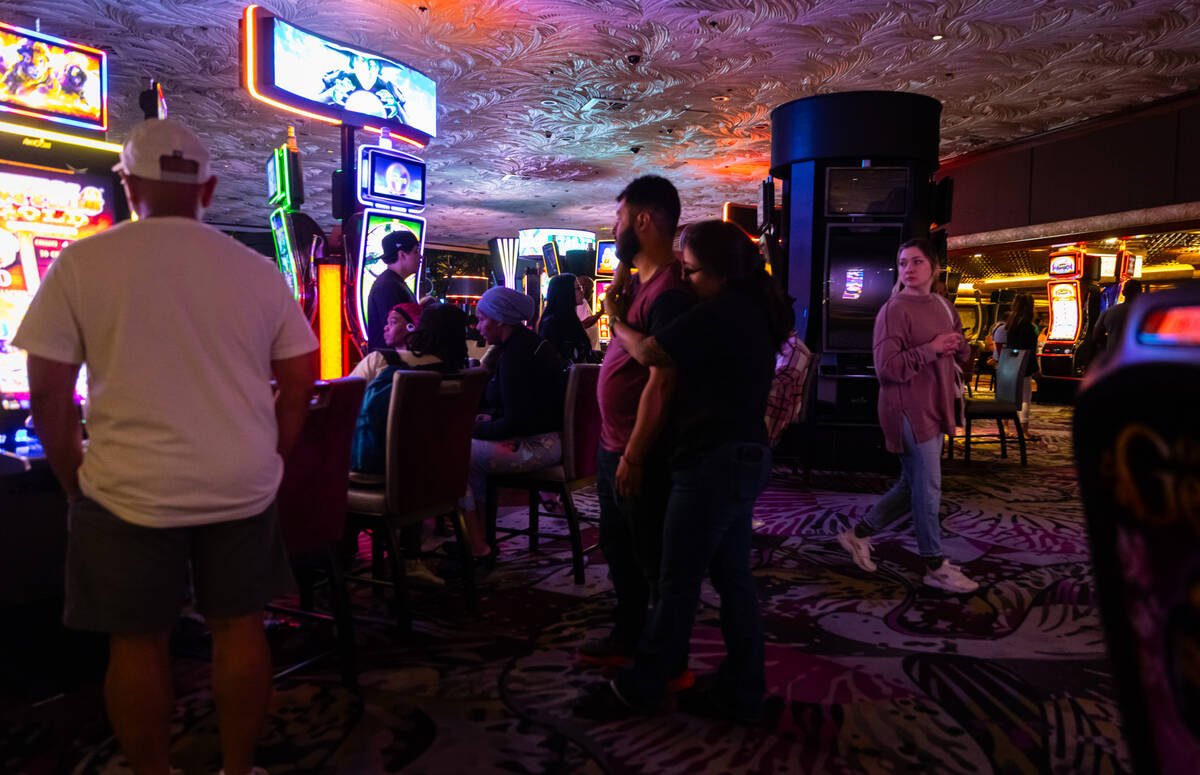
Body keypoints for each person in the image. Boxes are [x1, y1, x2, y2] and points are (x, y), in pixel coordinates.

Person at [13, 118, 318, 775]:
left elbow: (48, 397)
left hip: (128, 485)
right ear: (207, 188)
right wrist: (273, 457)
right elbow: (301, 381)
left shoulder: (82, 262)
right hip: (239, 478)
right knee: (239, 626)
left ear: (127, 185)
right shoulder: (257, 270)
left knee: (137, 641)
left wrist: (76, 483)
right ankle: (238, 768)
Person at [574, 219, 790, 724]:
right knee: (733, 580)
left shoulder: (722, 311)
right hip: (745, 456)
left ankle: (639, 689)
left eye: (691, 271)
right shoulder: (756, 307)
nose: (686, 281)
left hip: (713, 461)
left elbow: (651, 353)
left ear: (718, 271)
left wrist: (614, 317)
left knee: (677, 583)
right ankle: (744, 691)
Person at [577, 176, 695, 671]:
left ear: (644, 220)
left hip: (638, 449)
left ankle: (661, 658)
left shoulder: (669, 292)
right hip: (615, 443)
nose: (614, 225)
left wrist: (635, 454)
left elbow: (664, 374)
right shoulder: (643, 283)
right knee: (619, 545)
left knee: (648, 554)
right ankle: (629, 635)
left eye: (620, 216)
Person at [837, 237, 978, 595]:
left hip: (937, 403)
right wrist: (930, 349)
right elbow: (886, 369)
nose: (908, 269)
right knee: (928, 488)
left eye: (916, 262)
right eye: (902, 263)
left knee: (910, 485)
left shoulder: (945, 307)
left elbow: (962, 355)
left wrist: (960, 348)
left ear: (934, 267)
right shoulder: (894, 309)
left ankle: (857, 535)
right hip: (907, 408)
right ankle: (933, 565)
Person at [349, 303, 468, 588]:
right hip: (437, 477)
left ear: (420, 329)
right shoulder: (461, 373)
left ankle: (335, 556)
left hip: (379, 473)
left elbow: (345, 407)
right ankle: (409, 557)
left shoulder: (383, 361)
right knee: (412, 450)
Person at [462, 287, 565, 563]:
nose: (478, 326)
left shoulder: (516, 355)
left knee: (458, 456)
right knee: (470, 451)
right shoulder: (527, 344)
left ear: (499, 320)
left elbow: (516, 422)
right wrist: (489, 421)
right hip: (552, 440)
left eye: (482, 319)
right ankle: (482, 536)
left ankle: (478, 545)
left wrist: (470, 430)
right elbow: (521, 411)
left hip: (538, 445)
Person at [366, 230, 420, 352]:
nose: (420, 256)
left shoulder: (393, 282)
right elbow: (396, 334)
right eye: (416, 251)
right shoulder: (388, 286)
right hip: (391, 364)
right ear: (402, 255)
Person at [350, 302, 423, 384]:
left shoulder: (378, 359)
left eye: (392, 322)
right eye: (387, 323)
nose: (385, 327)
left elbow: (347, 391)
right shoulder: (436, 360)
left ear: (411, 327)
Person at [1001, 293, 1039, 435]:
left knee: (1009, 396)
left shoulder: (1011, 323)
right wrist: (1035, 368)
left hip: (1009, 362)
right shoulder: (1028, 326)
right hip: (1024, 364)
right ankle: (1024, 431)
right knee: (1025, 398)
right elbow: (1029, 349)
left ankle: (1005, 427)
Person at [538, 273, 592, 364]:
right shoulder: (552, 323)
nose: (582, 291)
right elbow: (556, 359)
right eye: (578, 288)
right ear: (566, 292)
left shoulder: (571, 318)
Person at [1092, 279, 1143, 356]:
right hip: (1136, 358)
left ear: (1123, 292)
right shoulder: (1144, 312)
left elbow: (1096, 335)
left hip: (1113, 357)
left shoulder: (1109, 311)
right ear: (1140, 293)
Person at [575, 275, 601, 355]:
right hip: (587, 354)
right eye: (591, 289)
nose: (593, 292)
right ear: (584, 288)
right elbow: (583, 324)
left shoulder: (580, 303)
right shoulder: (582, 302)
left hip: (589, 352)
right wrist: (601, 312)